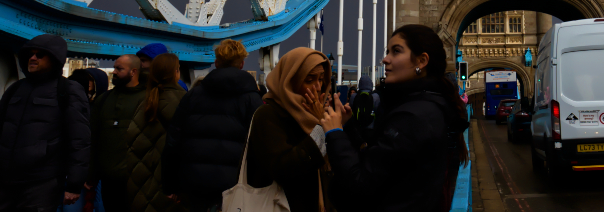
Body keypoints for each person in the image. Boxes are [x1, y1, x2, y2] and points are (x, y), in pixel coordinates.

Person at [322, 24, 469, 212]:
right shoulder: (428, 106)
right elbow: (387, 163)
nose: (385, 59)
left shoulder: (413, 116)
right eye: (387, 51)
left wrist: (335, 134)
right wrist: (348, 127)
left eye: (396, 51)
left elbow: (361, 182)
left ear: (421, 61)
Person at [0, 34, 91, 211]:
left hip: (42, 182)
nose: (33, 58)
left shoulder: (68, 90)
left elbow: (79, 141)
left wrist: (74, 184)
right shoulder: (15, 89)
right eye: (30, 54)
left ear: (55, 59)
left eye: (40, 55)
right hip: (5, 181)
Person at [163, 39, 263, 211]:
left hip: (194, 183)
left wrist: (171, 186)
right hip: (235, 185)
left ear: (216, 63)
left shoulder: (192, 96)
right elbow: (260, 145)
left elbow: (173, 142)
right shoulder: (253, 99)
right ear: (242, 64)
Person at [245, 47, 332, 212]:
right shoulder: (268, 115)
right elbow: (283, 168)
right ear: (290, 81)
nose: (318, 87)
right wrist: (320, 129)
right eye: (310, 80)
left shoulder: (313, 115)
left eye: (321, 79)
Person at [123, 53, 186, 212]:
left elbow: (132, 143)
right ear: (175, 72)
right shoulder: (185, 101)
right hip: (171, 189)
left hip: (141, 185)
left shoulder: (145, 103)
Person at [88, 54, 147, 211]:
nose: (114, 72)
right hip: (109, 181)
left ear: (133, 71)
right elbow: (94, 138)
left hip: (138, 181)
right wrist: (91, 173)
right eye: (114, 68)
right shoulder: (104, 99)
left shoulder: (149, 99)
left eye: (119, 69)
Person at [63, 69, 109, 212]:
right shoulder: (78, 106)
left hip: (90, 170)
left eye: (91, 80)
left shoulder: (100, 107)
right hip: (77, 169)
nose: (88, 83)